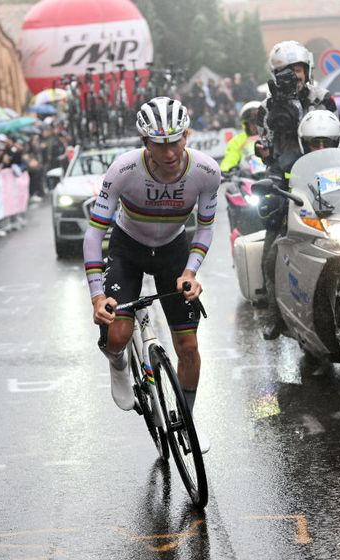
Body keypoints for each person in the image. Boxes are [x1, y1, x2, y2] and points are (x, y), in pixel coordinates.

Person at [82, 97, 220, 454]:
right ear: (145, 142)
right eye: (160, 144)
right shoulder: (124, 170)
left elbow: (205, 229)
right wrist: (98, 296)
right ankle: (117, 361)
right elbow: (95, 234)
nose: (170, 151)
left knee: (188, 347)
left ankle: (188, 422)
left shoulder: (205, 172)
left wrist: (191, 271)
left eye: (176, 140)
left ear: (187, 136)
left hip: (173, 250)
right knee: (117, 333)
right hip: (128, 248)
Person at [262, 110, 340, 341]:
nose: (319, 147)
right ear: (303, 142)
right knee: (270, 259)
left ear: (336, 141)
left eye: (325, 142)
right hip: (299, 222)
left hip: (339, 223)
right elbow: (275, 178)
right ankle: (275, 315)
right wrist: (276, 194)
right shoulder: (288, 160)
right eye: (313, 143)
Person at [259, 40, 336, 178]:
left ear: (306, 72)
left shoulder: (323, 99)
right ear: (276, 75)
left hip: (325, 170)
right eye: (286, 73)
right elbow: (267, 150)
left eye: (297, 70)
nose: (294, 77)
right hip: (286, 177)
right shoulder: (267, 108)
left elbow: (338, 139)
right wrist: (263, 151)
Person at [219, 101, 261, 174]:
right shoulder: (237, 140)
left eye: (259, 121)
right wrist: (224, 171)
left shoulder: (273, 136)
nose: (256, 125)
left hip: (272, 174)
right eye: (252, 121)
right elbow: (230, 158)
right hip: (248, 177)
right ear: (246, 124)